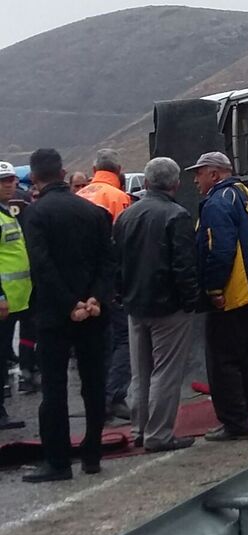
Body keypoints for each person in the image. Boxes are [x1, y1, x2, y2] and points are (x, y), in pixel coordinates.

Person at [21, 149, 114, 483]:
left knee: (55, 389)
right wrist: (94, 298)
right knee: (93, 383)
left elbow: (42, 266)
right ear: (63, 173)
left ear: (34, 178)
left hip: (54, 315)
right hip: (94, 311)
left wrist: (69, 304)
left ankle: (58, 461)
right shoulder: (93, 212)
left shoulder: (35, 215)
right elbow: (108, 261)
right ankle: (92, 454)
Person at [114, 158, 200, 452]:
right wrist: (192, 301)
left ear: (147, 183)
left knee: (141, 372)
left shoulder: (126, 216)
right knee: (166, 372)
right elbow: (184, 266)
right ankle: (159, 434)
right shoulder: (177, 216)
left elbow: (117, 263)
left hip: (135, 306)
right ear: (176, 184)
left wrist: (121, 296)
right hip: (169, 307)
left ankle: (138, 429)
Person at [191, 151, 248, 442]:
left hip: (232, 293)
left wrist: (214, 289)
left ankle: (234, 422)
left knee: (222, 360)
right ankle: (243, 414)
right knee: (245, 356)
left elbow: (220, 249)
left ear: (215, 174)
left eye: (199, 172)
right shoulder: (247, 196)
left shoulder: (217, 203)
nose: (195, 179)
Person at [77, 149, 133, 421]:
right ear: (119, 170)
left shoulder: (79, 195)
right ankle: (113, 396)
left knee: (97, 342)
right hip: (110, 284)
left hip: (81, 286)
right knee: (124, 339)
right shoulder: (118, 198)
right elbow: (122, 244)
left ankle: (97, 397)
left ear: (94, 168)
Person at [0, 162, 31, 430]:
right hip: (4, 301)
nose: (10, 184)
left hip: (18, 298)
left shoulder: (8, 214)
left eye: (11, 179)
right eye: (3, 181)